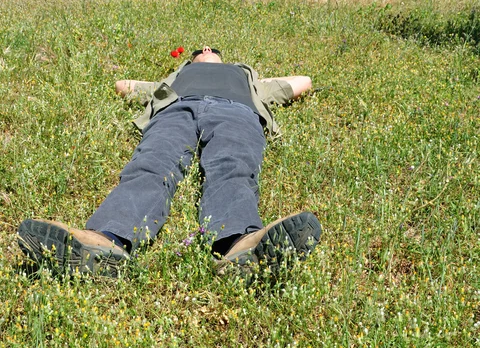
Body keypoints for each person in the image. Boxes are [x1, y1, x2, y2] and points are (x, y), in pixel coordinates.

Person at [17, 46, 321, 281]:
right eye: (199, 51)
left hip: (235, 112)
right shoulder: (175, 77)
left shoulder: (244, 75)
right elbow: (122, 85)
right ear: (190, 60)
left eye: (211, 49)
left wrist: (249, 77)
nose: (205, 50)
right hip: (177, 110)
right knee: (151, 165)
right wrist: (171, 79)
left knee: (233, 166)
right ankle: (106, 240)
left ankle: (239, 244)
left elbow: (303, 81)